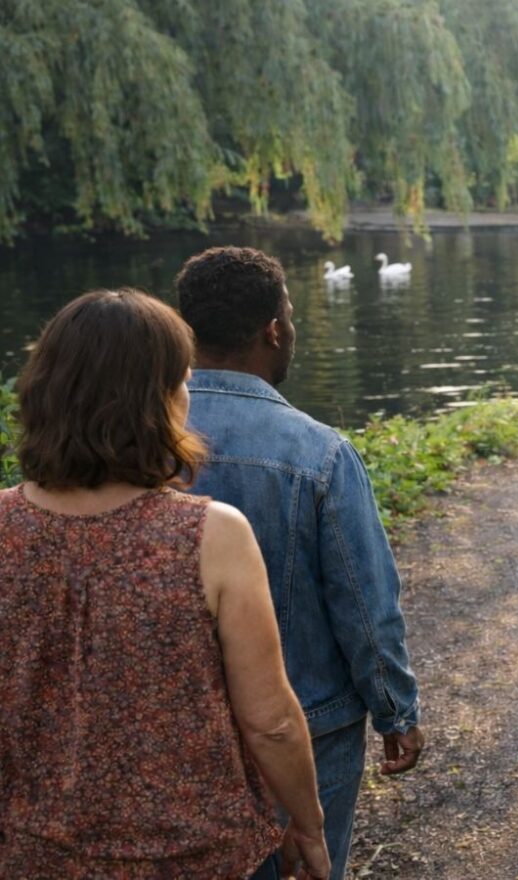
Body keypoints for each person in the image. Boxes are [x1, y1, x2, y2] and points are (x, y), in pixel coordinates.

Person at [0, 290, 329, 879]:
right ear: (155, 402)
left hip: (33, 850)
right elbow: (270, 719)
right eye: (180, 381)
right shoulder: (211, 535)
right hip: (193, 855)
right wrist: (307, 822)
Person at [176, 247, 424, 880]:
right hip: (311, 726)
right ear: (274, 330)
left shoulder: (136, 440)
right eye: (290, 315)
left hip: (179, 728)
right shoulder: (319, 453)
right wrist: (396, 710)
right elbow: (365, 602)